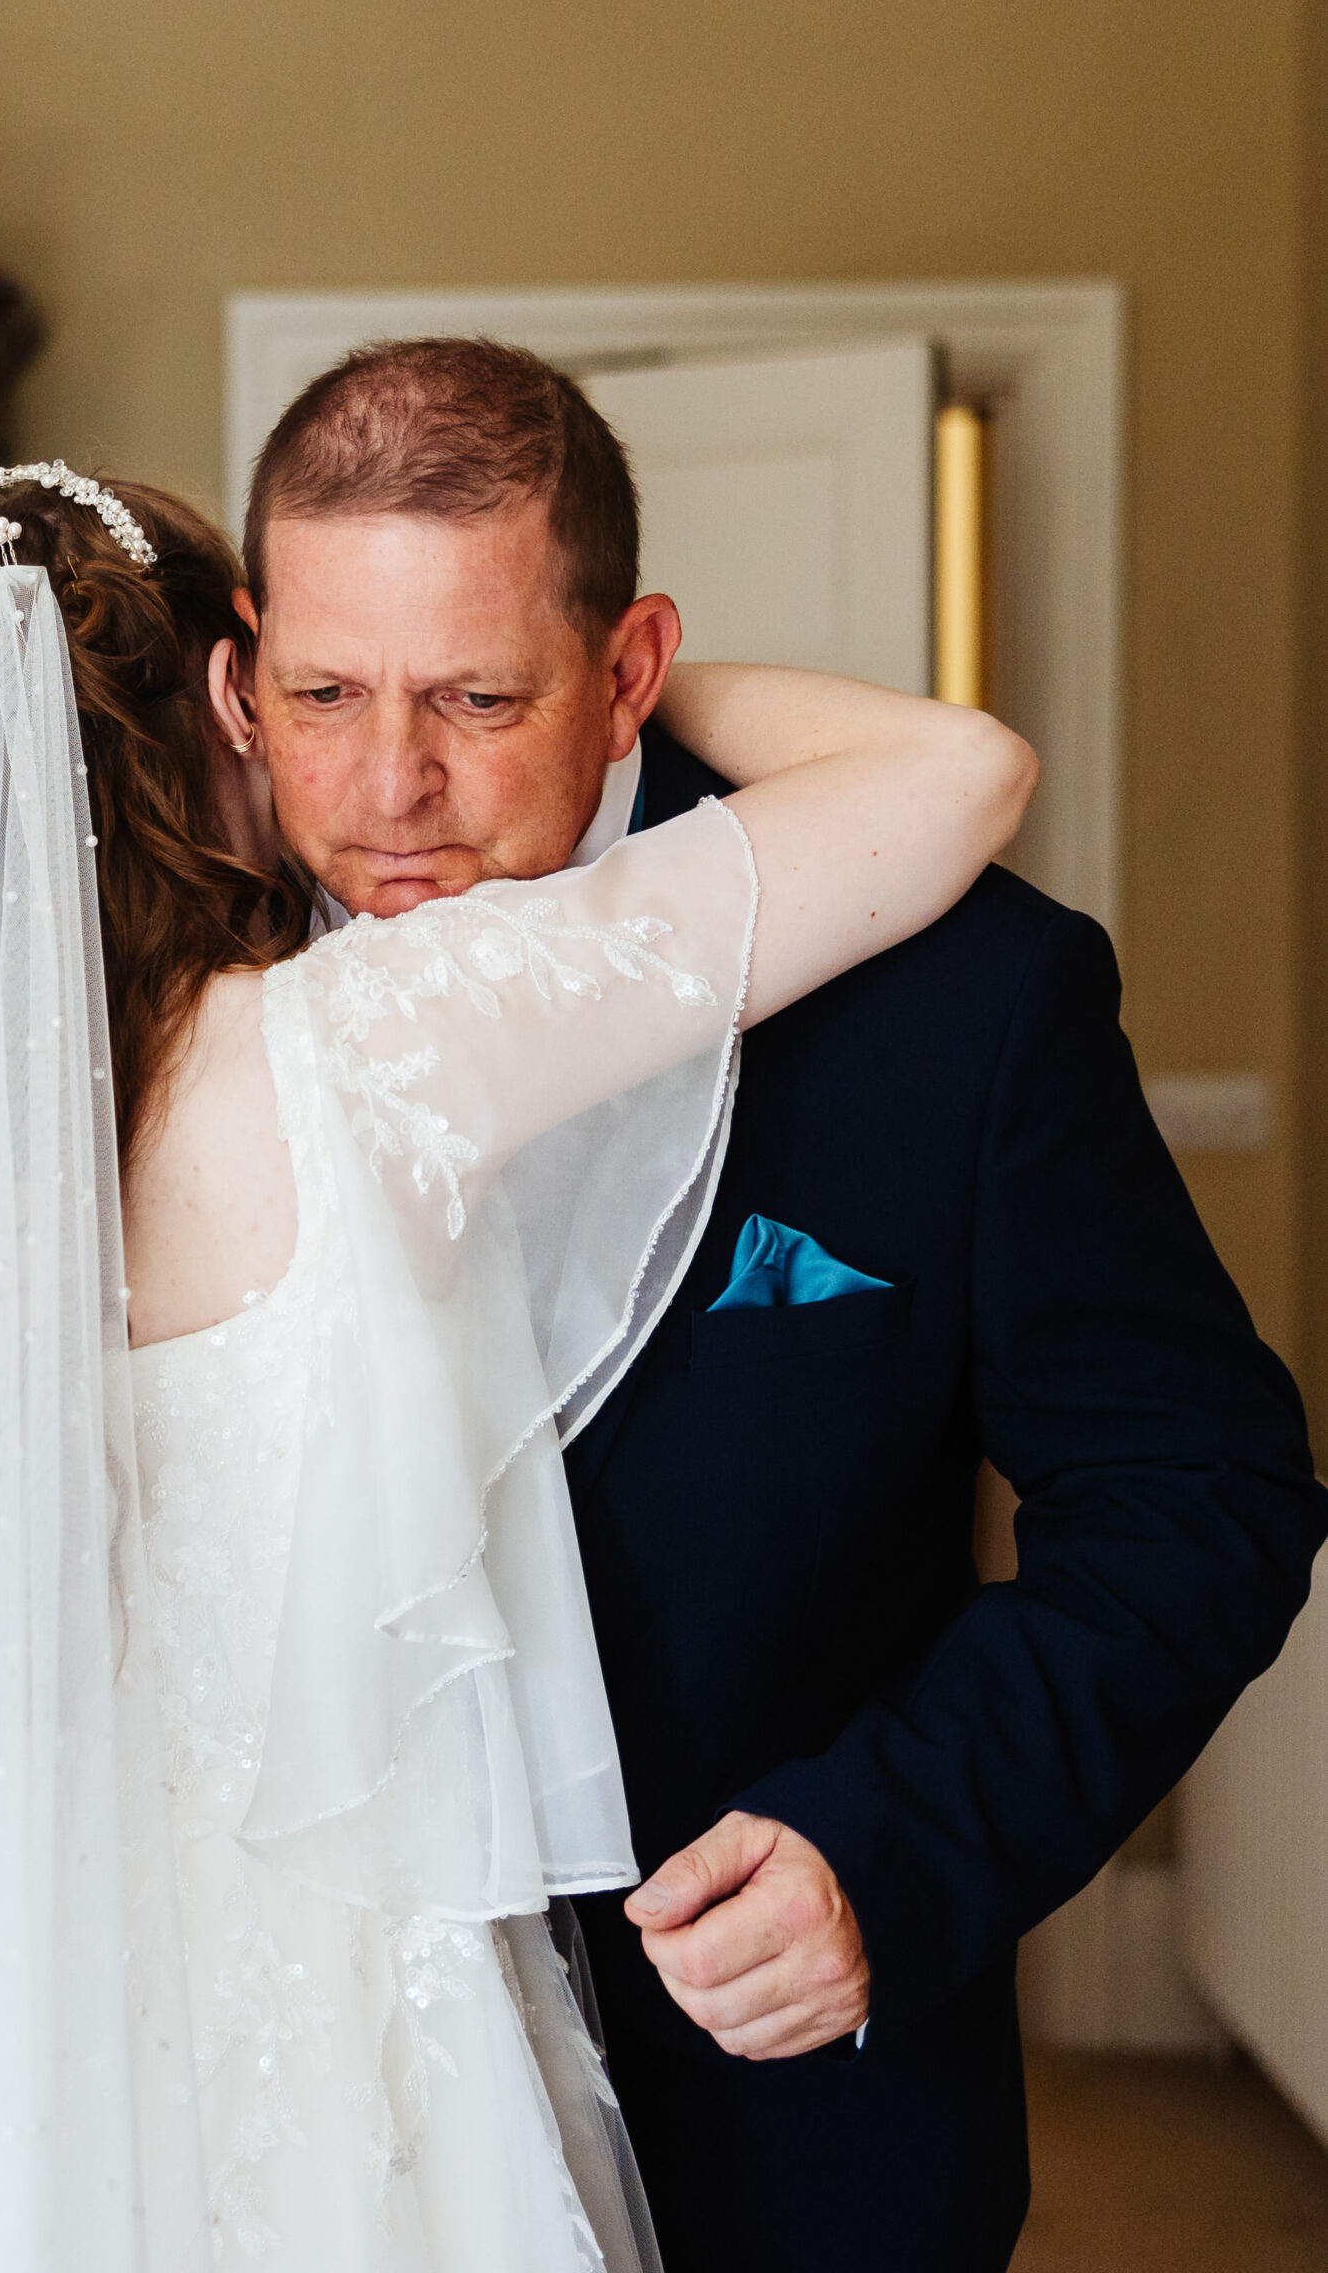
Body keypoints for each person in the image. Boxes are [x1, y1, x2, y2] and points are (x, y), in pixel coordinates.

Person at [0, 459, 1033, 2270]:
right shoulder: (365, 1047)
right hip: (326, 1971)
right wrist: (599, 674)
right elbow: (954, 773)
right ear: (234, 689)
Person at [232, 337, 1328, 2273]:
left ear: (631, 668)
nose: (389, 787)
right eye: (325, 693)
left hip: (782, 2143)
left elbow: (1196, 1493)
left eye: (481, 695)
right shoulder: (166, 989)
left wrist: (885, 1840)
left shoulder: (960, 1001)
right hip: (274, 2130)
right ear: (247, 672)